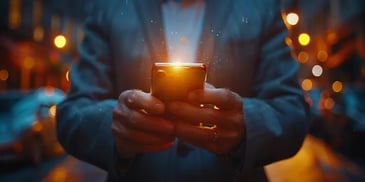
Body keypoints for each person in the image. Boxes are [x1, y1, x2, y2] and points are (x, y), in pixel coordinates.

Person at [56, 0, 310, 181]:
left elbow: (292, 110)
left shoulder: (259, 5)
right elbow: (73, 112)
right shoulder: (110, 5)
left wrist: (246, 126)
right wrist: (116, 125)